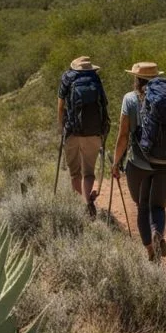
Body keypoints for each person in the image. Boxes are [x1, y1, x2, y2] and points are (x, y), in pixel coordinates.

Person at [111, 62, 166, 262]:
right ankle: (157, 231)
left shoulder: (130, 99)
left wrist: (116, 162)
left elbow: (123, 135)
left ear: (136, 79)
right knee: (158, 206)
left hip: (139, 163)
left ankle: (151, 251)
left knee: (142, 206)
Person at [57, 56, 109, 219]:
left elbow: (60, 108)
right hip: (93, 132)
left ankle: (81, 207)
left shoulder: (67, 79)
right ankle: (88, 203)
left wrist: (61, 129)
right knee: (88, 172)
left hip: (72, 132)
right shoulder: (95, 79)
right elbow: (104, 105)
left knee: (75, 173)